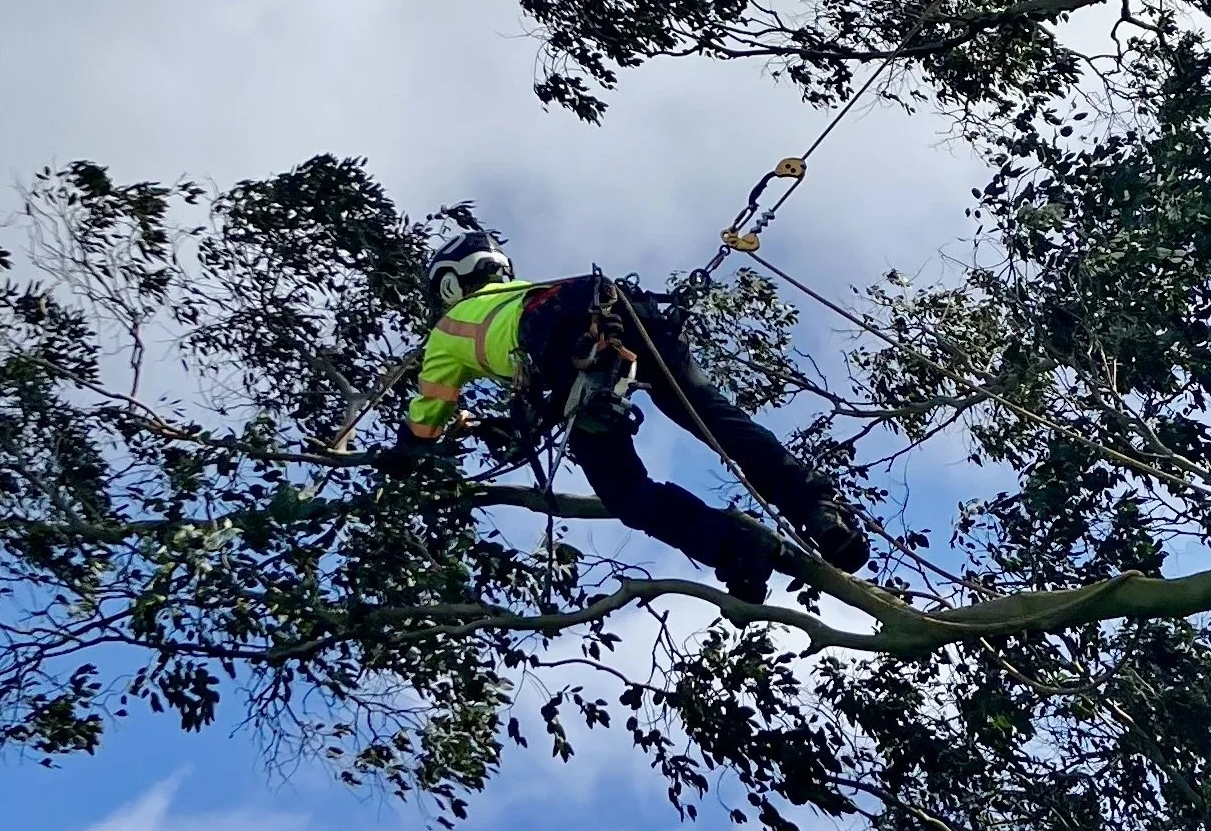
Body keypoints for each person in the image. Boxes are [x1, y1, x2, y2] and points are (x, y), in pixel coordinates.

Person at [373, 223, 870, 604]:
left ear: (448, 286)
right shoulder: (528, 293)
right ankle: (819, 511)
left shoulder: (446, 332)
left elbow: (426, 418)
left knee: (627, 494)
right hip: (626, 313)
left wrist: (406, 452)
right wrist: (500, 425)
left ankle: (734, 548)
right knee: (716, 419)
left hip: (575, 363)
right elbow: (528, 406)